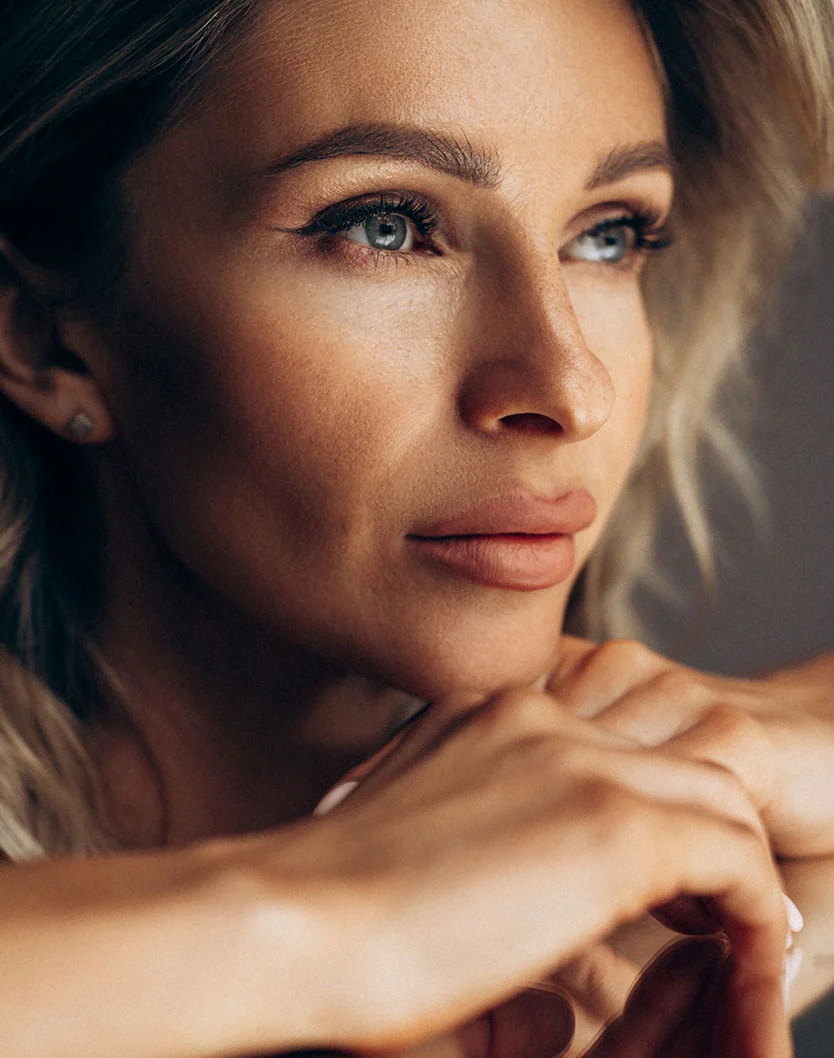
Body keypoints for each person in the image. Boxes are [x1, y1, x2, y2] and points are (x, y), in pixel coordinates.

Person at [0, 1, 831, 1056]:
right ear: (42, 337)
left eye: (610, 234)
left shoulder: (634, 933)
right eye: (383, 224)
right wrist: (331, 921)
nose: (566, 386)